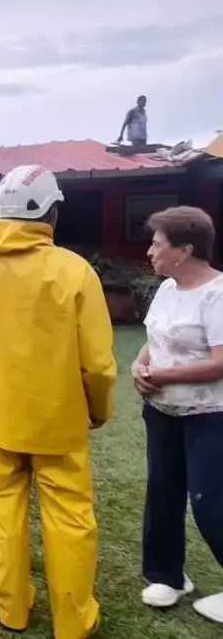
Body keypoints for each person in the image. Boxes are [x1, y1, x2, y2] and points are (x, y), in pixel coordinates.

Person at [0, 164, 116, 638]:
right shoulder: (73, 271)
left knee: (1, 512)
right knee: (69, 517)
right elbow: (98, 364)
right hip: (55, 420)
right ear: (50, 210)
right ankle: (74, 620)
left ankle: (12, 610)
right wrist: (98, 407)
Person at [131, 205, 223, 625]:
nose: (150, 250)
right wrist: (138, 365)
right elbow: (153, 339)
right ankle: (166, 575)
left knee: (211, 501)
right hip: (163, 411)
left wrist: (162, 374)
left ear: (184, 250)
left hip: (211, 414)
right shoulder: (167, 289)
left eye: (157, 243)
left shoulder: (217, 294)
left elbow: (222, 361)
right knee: (163, 493)